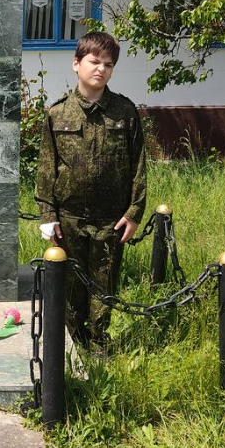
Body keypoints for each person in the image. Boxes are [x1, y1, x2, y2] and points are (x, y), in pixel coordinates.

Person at [35, 31, 146, 353]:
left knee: (104, 285)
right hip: (69, 219)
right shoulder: (58, 114)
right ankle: (72, 346)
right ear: (76, 63)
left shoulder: (124, 112)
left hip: (111, 220)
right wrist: (47, 215)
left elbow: (139, 164)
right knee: (71, 287)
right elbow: (46, 167)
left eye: (108, 65)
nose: (101, 69)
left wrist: (134, 213)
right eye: (94, 61)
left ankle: (98, 346)